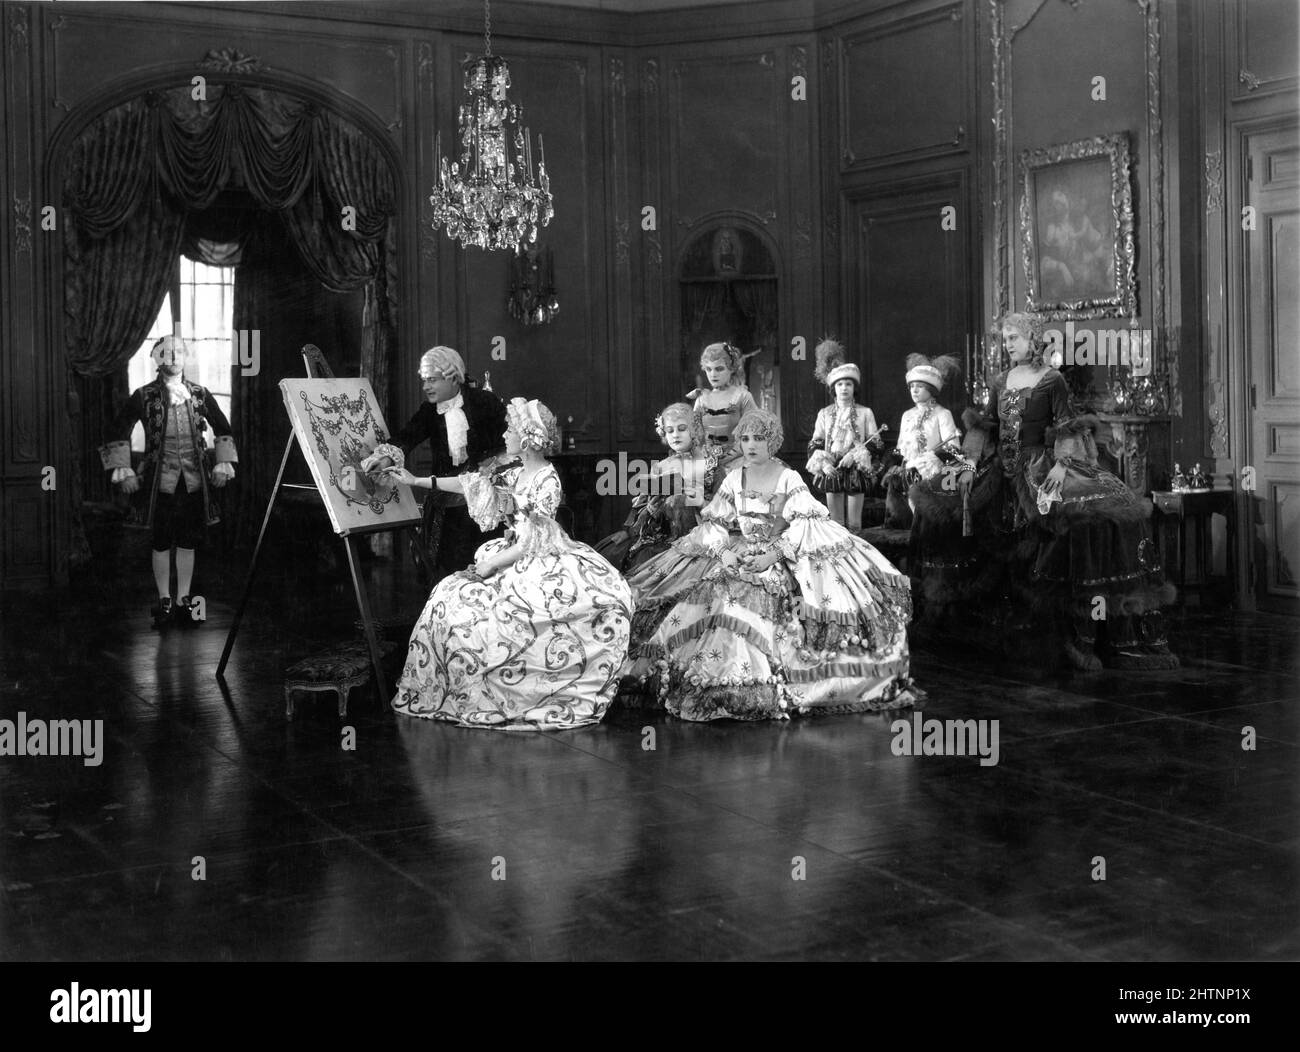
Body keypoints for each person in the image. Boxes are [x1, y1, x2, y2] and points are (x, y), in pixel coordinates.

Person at [908, 311, 1177, 670]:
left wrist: (1062, 468)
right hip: (998, 469)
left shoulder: (1052, 381)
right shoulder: (1001, 379)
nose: (1007, 345)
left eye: (1013, 338)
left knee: (1084, 520)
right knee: (935, 503)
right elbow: (984, 426)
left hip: (1039, 465)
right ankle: (962, 623)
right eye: (1005, 339)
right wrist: (968, 465)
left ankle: (1077, 634)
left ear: (1032, 340)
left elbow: (1067, 427)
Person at [617, 408, 919, 722]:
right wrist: (724, 553)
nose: (750, 445)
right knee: (717, 594)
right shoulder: (735, 477)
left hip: (779, 555)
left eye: (758, 438)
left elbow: (805, 525)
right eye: (745, 438)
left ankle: (751, 682)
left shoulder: (788, 477)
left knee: (752, 599)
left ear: (771, 441)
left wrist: (772, 556)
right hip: (742, 552)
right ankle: (716, 678)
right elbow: (714, 522)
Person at [385, 398, 634, 730]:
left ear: (528, 436)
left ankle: (513, 690)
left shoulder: (548, 480)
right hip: (511, 549)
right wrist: (416, 481)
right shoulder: (511, 466)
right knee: (447, 595)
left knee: (510, 615)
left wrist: (491, 567)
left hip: (539, 557)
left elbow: (532, 541)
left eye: (511, 429)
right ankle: (455, 687)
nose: (504, 434)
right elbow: (468, 482)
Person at [100, 336, 237, 628]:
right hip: (157, 481)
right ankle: (164, 599)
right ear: (156, 359)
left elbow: (223, 428)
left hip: (193, 480)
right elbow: (116, 430)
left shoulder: (200, 393)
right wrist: (122, 470)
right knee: (161, 539)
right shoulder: (143, 395)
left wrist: (223, 464)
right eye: (165, 353)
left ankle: (184, 599)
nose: (172, 358)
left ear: (186, 357)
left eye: (178, 353)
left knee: (188, 539)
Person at [361, 346, 507, 583]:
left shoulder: (485, 402)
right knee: (448, 575)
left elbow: (507, 443)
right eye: (423, 380)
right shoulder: (429, 411)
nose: (426, 386)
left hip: (483, 505)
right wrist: (386, 458)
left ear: (452, 377)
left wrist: (490, 468)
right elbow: (408, 436)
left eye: (432, 380)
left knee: (488, 573)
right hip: (445, 509)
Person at [594, 402, 721, 573]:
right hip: (662, 533)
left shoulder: (710, 463)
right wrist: (650, 509)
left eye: (681, 429)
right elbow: (641, 508)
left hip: (701, 532)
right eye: (670, 431)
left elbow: (725, 509)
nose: (675, 435)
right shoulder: (661, 467)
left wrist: (700, 502)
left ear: (693, 429)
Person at [807, 338, 882, 531]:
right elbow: (816, 442)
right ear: (833, 388)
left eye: (848, 384)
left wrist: (854, 455)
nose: (844, 388)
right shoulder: (824, 413)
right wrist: (823, 464)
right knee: (836, 524)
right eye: (840, 384)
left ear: (854, 387)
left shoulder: (866, 413)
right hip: (832, 467)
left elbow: (876, 443)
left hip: (856, 468)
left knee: (855, 524)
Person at [691, 342, 759, 468]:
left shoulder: (743, 396)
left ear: (731, 368)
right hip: (708, 462)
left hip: (739, 461)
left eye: (719, 369)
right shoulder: (701, 400)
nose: (713, 374)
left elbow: (753, 432)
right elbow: (695, 436)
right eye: (708, 369)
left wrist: (729, 457)